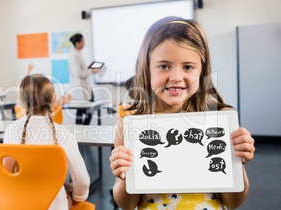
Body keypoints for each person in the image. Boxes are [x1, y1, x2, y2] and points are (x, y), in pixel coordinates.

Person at [109, 16, 255, 209]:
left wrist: (238, 165)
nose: (176, 78)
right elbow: (126, 204)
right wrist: (124, 176)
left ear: (202, 70)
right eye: (163, 66)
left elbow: (234, 201)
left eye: (188, 67)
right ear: (147, 69)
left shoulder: (220, 119)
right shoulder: (130, 124)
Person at [3, 74, 90, 209]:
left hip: (17, 204)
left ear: (21, 102)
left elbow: (7, 172)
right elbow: (82, 181)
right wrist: (77, 198)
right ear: (54, 100)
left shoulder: (11, 130)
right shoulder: (63, 133)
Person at [69, 33, 99, 125]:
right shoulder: (74, 55)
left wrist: (88, 68)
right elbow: (78, 73)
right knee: (82, 110)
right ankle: (81, 130)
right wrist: (91, 71)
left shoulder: (78, 54)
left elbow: (81, 70)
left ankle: (84, 128)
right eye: (83, 41)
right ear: (77, 43)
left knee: (86, 108)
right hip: (80, 87)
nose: (84, 43)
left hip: (84, 86)